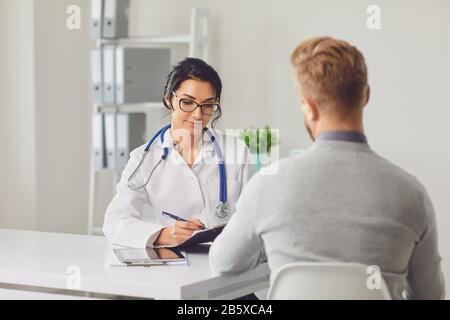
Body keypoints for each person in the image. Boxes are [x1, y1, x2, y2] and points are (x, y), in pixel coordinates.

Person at [209, 36, 445, 300]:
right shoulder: (412, 193)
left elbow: (224, 261)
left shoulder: (268, 185)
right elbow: (431, 295)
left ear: (308, 108)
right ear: (366, 96)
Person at [103, 57, 254, 248]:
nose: (198, 114)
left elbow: (255, 216)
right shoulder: (144, 159)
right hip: (174, 264)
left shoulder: (237, 151)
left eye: (207, 105)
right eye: (187, 102)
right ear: (169, 100)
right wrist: (166, 235)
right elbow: (115, 222)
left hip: (227, 260)